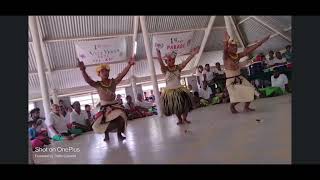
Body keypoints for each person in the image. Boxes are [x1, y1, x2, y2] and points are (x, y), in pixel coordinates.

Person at [78, 56, 135, 141]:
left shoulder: (113, 82)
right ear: (99, 74)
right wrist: (83, 70)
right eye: (102, 71)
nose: (105, 72)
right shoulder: (98, 84)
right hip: (104, 106)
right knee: (100, 123)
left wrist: (129, 65)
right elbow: (89, 81)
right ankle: (106, 134)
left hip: (115, 105)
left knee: (121, 116)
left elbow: (122, 75)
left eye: (106, 71)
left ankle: (119, 134)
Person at [223, 31, 270, 113]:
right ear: (228, 48)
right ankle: (232, 106)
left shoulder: (238, 56)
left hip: (240, 78)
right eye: (233, 47)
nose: (235, 48)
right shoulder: (226, 57)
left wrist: (260, 43)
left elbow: (248, 51)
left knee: (252, 91)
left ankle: (246, 107)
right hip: (231, 81)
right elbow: (224, 51)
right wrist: (226, 41)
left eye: (236, 47)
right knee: (240, 94)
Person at [157, 46, 200, 125]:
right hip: (170, 92)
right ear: (166, 62)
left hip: (180, 89)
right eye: (169, 60)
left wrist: (193, 54)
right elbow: (161, 63)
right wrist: (159, 56)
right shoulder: (164, 69)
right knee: (177, 108)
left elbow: (186, 62)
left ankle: (185, 118)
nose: (172, 61)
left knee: (186, 106)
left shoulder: (178, 67)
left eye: (173, 59)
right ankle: (180, 119)